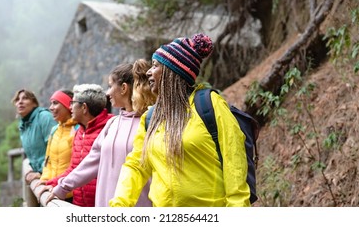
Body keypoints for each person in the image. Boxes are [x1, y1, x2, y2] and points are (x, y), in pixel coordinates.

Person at [109, 33, 251, 207]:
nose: (148, 72)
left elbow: (234, 161)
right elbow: (136, 166)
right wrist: (119, 206)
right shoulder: (151, 117)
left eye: (155, 66)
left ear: (172, 71)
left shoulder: (209, 105)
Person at [44, 59, 157, 206]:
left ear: (123, 88)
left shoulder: (151, 123)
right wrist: (62, 187)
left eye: (110, 86)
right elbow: (90, 163)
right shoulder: (112, 124)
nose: (108, 92)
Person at [41, 84, 114, 207]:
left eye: (72, 103)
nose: (70, 108)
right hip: (78, 205)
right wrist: (51, 183)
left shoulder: (110, 129)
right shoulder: (79, 132)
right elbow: (74, 169)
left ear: (84, 107)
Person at [34, 89, 79, 201]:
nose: (50, 107)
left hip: (70, 195)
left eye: (55, 103)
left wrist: (60, 188)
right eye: (51, 103)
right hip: (51, 191)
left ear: (68, 105)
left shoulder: (78, 129)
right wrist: (45, 180)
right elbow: (48, 161)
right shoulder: (54, 130)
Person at [11, 89, 57, 184]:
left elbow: (55, 150)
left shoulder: (44, 117)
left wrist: (41, 173)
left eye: (25, 98)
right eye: (17, 99)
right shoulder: (23, 125)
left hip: (54, 177)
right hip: (41, 176)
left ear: (34, 103)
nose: (20, 102)